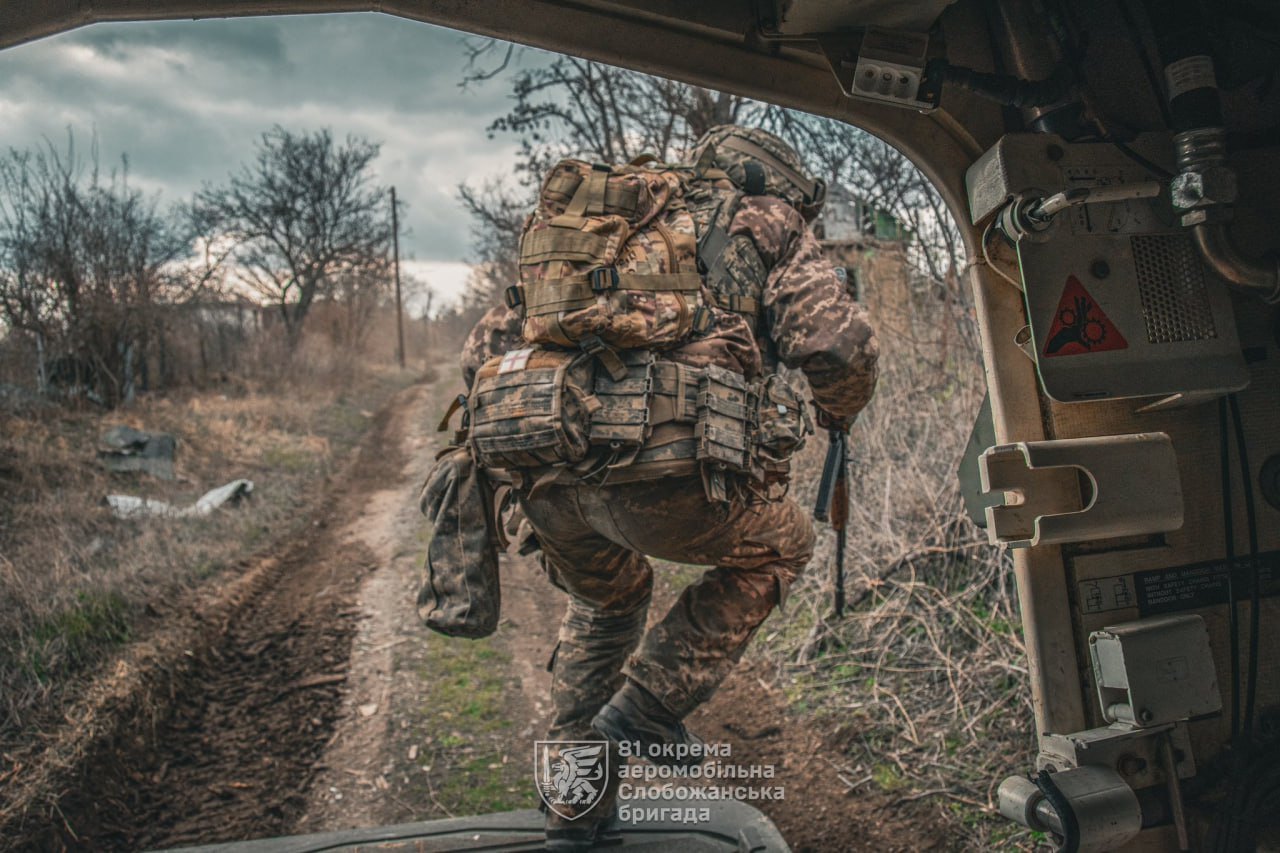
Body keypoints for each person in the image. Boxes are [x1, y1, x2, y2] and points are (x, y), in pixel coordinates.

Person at [460, 125, 879, 850]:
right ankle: (649, 705)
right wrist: (837, 409)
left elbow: (480, 355)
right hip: (668, 480)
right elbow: (838, 348)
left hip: (552, 477)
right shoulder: (767, 221)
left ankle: (574, 811)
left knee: (606, 601)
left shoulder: (605, 226)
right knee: (783, 545)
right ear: (776, 182)